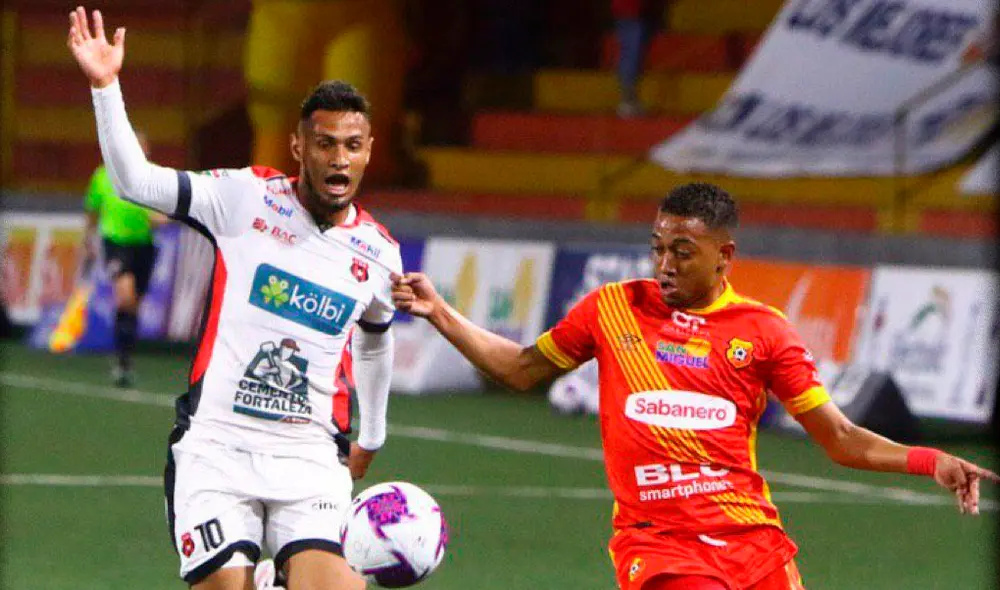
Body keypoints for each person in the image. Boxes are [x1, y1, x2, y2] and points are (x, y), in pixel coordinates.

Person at [392, 182, 997, 590]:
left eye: (683, 251)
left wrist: (929, 460)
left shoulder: (765, 332)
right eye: (658, 248)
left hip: (755, 542)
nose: (665, 264)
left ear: (724, 255)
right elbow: (520, 368)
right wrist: (441, 313)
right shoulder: (613, 309)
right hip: (660, 546)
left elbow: (839, 439)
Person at [68, 7, 401, 590]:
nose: (338, 158)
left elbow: (376, 341)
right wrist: (105, 85)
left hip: (307, 457)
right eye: (324, 143)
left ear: (369, 150)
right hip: (217, 448)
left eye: (352, 145)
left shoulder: (379, 255)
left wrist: (370, 436)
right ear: (299, 147)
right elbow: (137, 182)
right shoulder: (243, 199)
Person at [82, 130, 168, 386]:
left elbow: (160, 213)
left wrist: (162, 219)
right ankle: (122, 360)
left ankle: (125, 359)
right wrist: (88, 238)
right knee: (126, 297)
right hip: (116, 244)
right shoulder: (103, 175)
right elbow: (92, 210)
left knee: (134, 305)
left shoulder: (152, 175)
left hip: (144, 246)